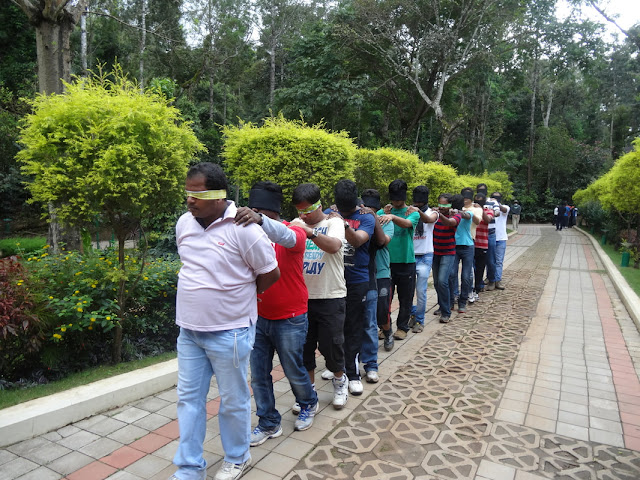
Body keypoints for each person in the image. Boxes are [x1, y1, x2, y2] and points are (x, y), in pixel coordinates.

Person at [172, 163, 280, 480]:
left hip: (230, 333)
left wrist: (239, 299)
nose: (190, 200)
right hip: (189, 332)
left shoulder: (244, 229)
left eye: (198, 193)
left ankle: (236, 456)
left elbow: (270, 272)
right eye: (188, 192)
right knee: (188, 400)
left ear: (219, 196)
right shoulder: (184, 224)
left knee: (233, 400)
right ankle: (190, 467)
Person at [233, 182, 318, 447]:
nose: (251, 217)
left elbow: (288, 237)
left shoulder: (293, 232)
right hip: (257, 318)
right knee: (259, 374)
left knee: (293, 369)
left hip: (290, 316)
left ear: (269, 214)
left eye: (257, 212)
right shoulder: (247, 236)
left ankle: (308, 403)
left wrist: (260, 221)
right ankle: (269, 422)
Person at [289, 183, 349, 410]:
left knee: (332, 346)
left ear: (319, 206)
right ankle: (308, 392)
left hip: (330, 295)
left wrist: (310, 233)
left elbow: (334, 246)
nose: (303, 215)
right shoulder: (296, 225)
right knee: (304, 348)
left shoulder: (333, 222)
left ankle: (340, 382)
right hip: (302, 298)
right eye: (299, 211)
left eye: (307, 210)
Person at [327, 179, 375, 396]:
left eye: (349, 208)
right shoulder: (329, 212)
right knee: (332, 328)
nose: (345, 211)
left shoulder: (366, 217)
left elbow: (357, 241)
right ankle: (336, 366)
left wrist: (343, 222)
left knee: (353, 327)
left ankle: (353, 374)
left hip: (357, 280)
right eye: (341, 207)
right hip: (333, 280)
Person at [378, 180, 420, 340]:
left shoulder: (412, 213)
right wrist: (385, 212)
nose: (396, 203)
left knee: (405, 297)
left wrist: (393, 217)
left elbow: (407, 224)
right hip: (385, 263)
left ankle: (402, 327)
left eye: (399, 200)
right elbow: (374, 219)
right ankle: (384, 326)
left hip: (406, 262)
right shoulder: (383, 213)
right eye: (394, 200)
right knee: (384, 299)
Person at [432, 193, 466, 324]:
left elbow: (450, 222)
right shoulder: (433, 214)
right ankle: (442, 305)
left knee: (442, 281)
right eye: (440, 204)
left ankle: (446, 312)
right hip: (435, 252)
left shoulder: (456, 215)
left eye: (444, 204)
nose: (441, 207)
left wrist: (439, 215)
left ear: (450, 205)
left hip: (448, 252)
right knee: (436, 282)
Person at [409, 186, 437, 332]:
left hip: (425, 256)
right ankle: (413, 313)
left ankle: (419, 321)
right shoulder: (409, 212)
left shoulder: (432, 212)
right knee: (407, 292)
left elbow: (428, 220)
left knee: (421, 291)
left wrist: (417, 211)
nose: (417, 203)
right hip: (409, 256)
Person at [471, 192, 494, 300]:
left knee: (480, 269)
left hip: (482, 244)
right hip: (471, 243)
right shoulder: (471, 209)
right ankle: (470, 288)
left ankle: (477, 288)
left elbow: (488, 220)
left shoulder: (489, 211)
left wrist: (480, 210)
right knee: (469, 269)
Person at [490, 192, 509, 290]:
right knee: (490, 261)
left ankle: (497, 280)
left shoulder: (504, 207)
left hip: (501, 238)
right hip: (490, 237)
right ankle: (491, 279)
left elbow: (504, 210)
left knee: (499, 261)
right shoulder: (488, 207)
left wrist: (497, 204)